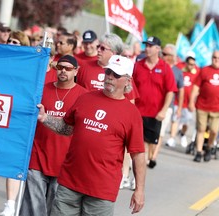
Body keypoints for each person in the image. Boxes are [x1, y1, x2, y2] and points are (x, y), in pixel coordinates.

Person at [37, 55, 146, 215]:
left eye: (116, 75)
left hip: (101, 190)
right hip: (70, 182)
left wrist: (139, 190)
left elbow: (138, 155)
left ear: (128, 81)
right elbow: (66, 128)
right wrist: (45, 118)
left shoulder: (132, 114)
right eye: (108, 71)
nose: (109, 77)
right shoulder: (86, 97)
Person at [19, 55, 87, 216]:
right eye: (60, 67)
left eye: (68, 68)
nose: (63, 70)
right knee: (33, 207)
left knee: (55, 208)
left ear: (76, 71)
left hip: (65, 161)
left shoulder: (84, 96)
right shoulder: (42, 89)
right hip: (38, 155)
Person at [0, 31, 30, 216]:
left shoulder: (28, 65)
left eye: (16, 41)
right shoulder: (0, 59)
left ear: (23, 45)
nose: (11, 43)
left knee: (13, 160)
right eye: (10, 40)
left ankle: (10, 204)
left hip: (17, 117)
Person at [132, 36, 177, 169]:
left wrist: (164, 110)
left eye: (150, 46)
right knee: (139, 144)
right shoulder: (138, 65)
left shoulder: (165, 68)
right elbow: (131, 86)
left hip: (155, 114)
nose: (147, 48)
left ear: (158, 49)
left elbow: (170, 91)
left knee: (150, 145)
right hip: (138, 112)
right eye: (146, 45)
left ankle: (148, 161)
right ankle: (135, 172)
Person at [152, 44, 184, 161]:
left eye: (164, 54)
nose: (161, 56)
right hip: (153, 105)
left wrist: (179, 108)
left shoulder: (177, 72)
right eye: (162, 53)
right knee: (150, 132)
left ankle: (153, 157)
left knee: (160, 132)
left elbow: (181, 91)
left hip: (168, 107)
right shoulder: (156, 67)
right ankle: (149, 153)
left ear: (172, 56)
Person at [189, 50, 219, 162]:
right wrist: (191, 101)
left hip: (217, 108)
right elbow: (196, 87)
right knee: (201, 129)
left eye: (218, 58)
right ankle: (199, 152)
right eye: (214, 57)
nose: (216, 60)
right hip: (202, 106)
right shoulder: (205, 70)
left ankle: (209, 147)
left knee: (214, 131)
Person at [166, 51, 198, 147]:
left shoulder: (197, 72)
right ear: (186, 62)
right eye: (189, 63)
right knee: (175, 120)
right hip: (177, 100)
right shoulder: (180, 68)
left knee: (186, 122)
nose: (191, 66)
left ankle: (182, 133)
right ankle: (171, 138)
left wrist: (193, 102)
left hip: (188, 103)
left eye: (193, 64)